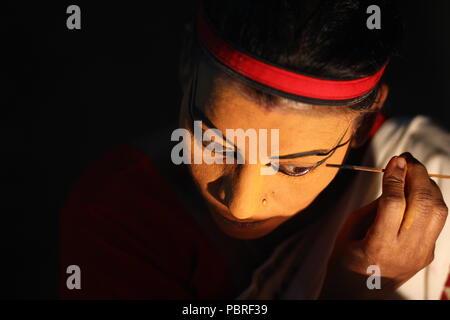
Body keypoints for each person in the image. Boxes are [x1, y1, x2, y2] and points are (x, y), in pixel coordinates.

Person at [59, 0, 450, 299]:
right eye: (214, 144)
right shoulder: (120, 219)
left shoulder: (435, 174)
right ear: (186, 65)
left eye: (295, 168)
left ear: (364, 124)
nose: (240, 205)